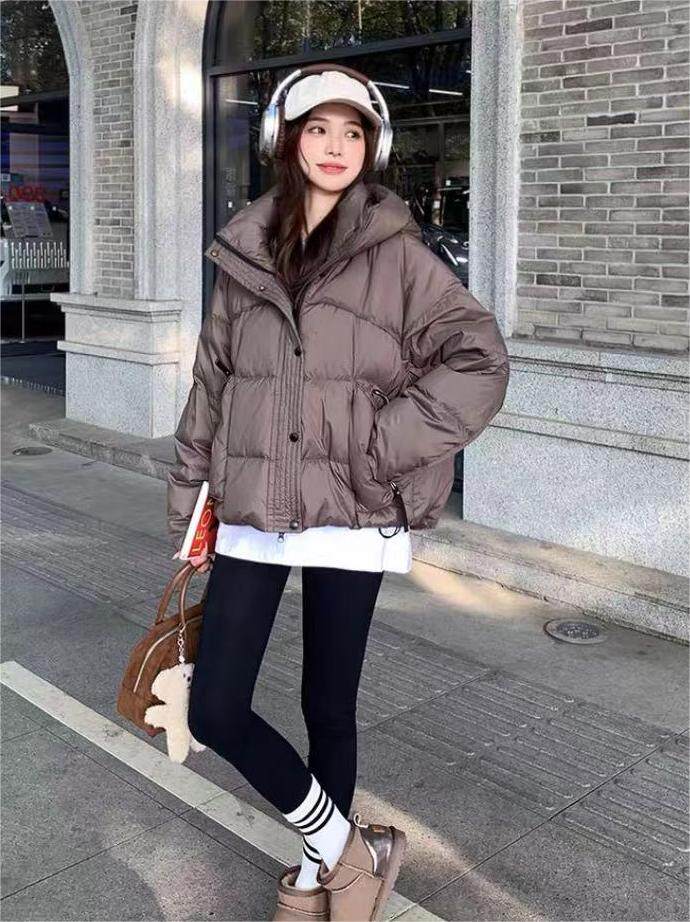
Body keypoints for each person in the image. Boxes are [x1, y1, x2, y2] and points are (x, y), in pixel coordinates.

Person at [168, 66, 509, 922]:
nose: (335, 146)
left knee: (328, 704)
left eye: (353, 132)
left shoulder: (401, 258)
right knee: (216, 708)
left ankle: (327, 879)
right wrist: (191, 501)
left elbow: (479, 359)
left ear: (372, 148)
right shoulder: (244, 250)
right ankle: (348, 849)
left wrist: (380, 445)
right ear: (286, 140)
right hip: (254, 503)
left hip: (353, 509)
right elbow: (212, 384)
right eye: (319, 129)